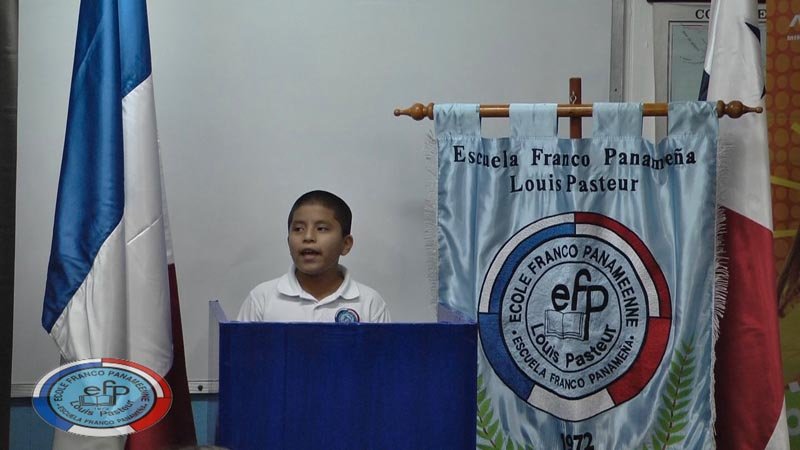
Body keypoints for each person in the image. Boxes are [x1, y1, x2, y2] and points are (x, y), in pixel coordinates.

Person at [237, 190, 390, 323]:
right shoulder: (261, 299)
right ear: (288, 241)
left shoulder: (369, 303)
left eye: (321, 229)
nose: (308, 237)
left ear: (345, 244)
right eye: (298, 229)